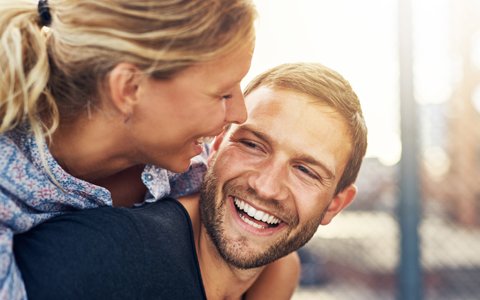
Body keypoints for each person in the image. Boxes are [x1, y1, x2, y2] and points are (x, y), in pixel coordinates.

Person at [14, 62, 369, 299]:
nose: (266, 186)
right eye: (252, 145)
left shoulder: (277, 270)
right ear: (215, 145)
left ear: (335, 204)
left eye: (305, 170)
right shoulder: (98, 259)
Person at [0, 0, 259, 298]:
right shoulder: (8, 188)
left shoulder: (190, 167)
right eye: (223, 94)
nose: (240, 114)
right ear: (129, 88)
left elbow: (277, 262)